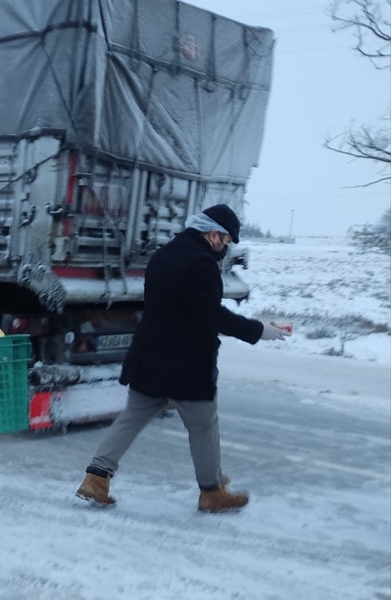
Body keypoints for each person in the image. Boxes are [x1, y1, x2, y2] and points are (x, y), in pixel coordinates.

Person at [74, 204, 289, 512]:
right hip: (186, 362)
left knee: (132, 416)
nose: (225, 248)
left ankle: (95, 478)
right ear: (213, 234)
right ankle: (212, 491)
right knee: (203, 425)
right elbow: (211, 315)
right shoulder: (202, 263)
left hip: (149, 354)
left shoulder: (164, 254)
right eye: (226, 241)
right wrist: (259, 330)